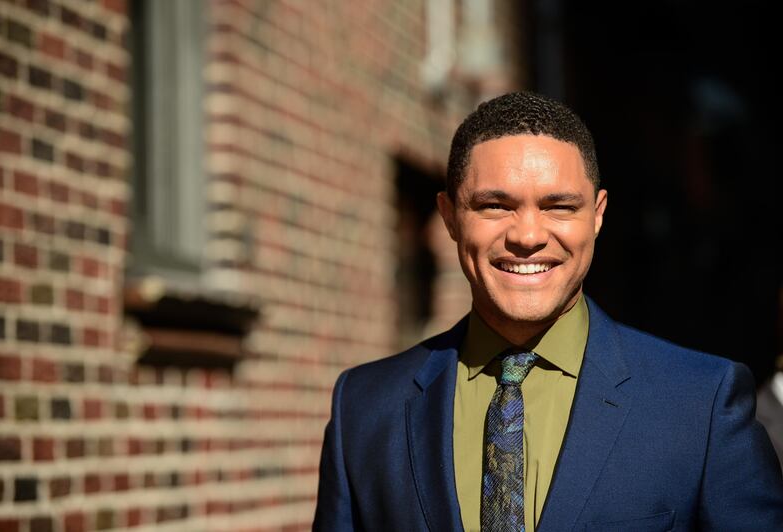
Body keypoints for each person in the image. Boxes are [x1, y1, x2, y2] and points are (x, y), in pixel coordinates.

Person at [313, 92, 783, 531]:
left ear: (597, 216)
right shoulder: (365, 408)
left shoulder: (700, 405)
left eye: (559, 206)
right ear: (450, 216)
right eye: (495, 205)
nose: (528, 235)